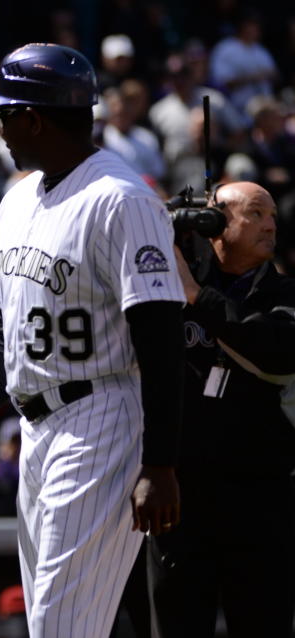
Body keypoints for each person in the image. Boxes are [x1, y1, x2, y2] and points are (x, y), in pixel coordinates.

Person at [0, 43, 186, 638]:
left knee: (61, 625)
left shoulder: (122, 198)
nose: (0, 128)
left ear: (33, 118)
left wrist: (161, 462)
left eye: (5, 114)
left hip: (102, 418)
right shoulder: (16, 200)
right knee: (53, 624)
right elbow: (1, 333)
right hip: (37, 427)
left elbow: (162, 337)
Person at [148, 182, 295, 637]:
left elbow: (276, 352)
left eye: (272, 213)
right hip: (180, 495)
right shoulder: (169, 285)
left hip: (261, 498)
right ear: (216, 222)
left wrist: (197, 296)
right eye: (255, 213)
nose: (270, 223)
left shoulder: (284, 291)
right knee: (176, 624)